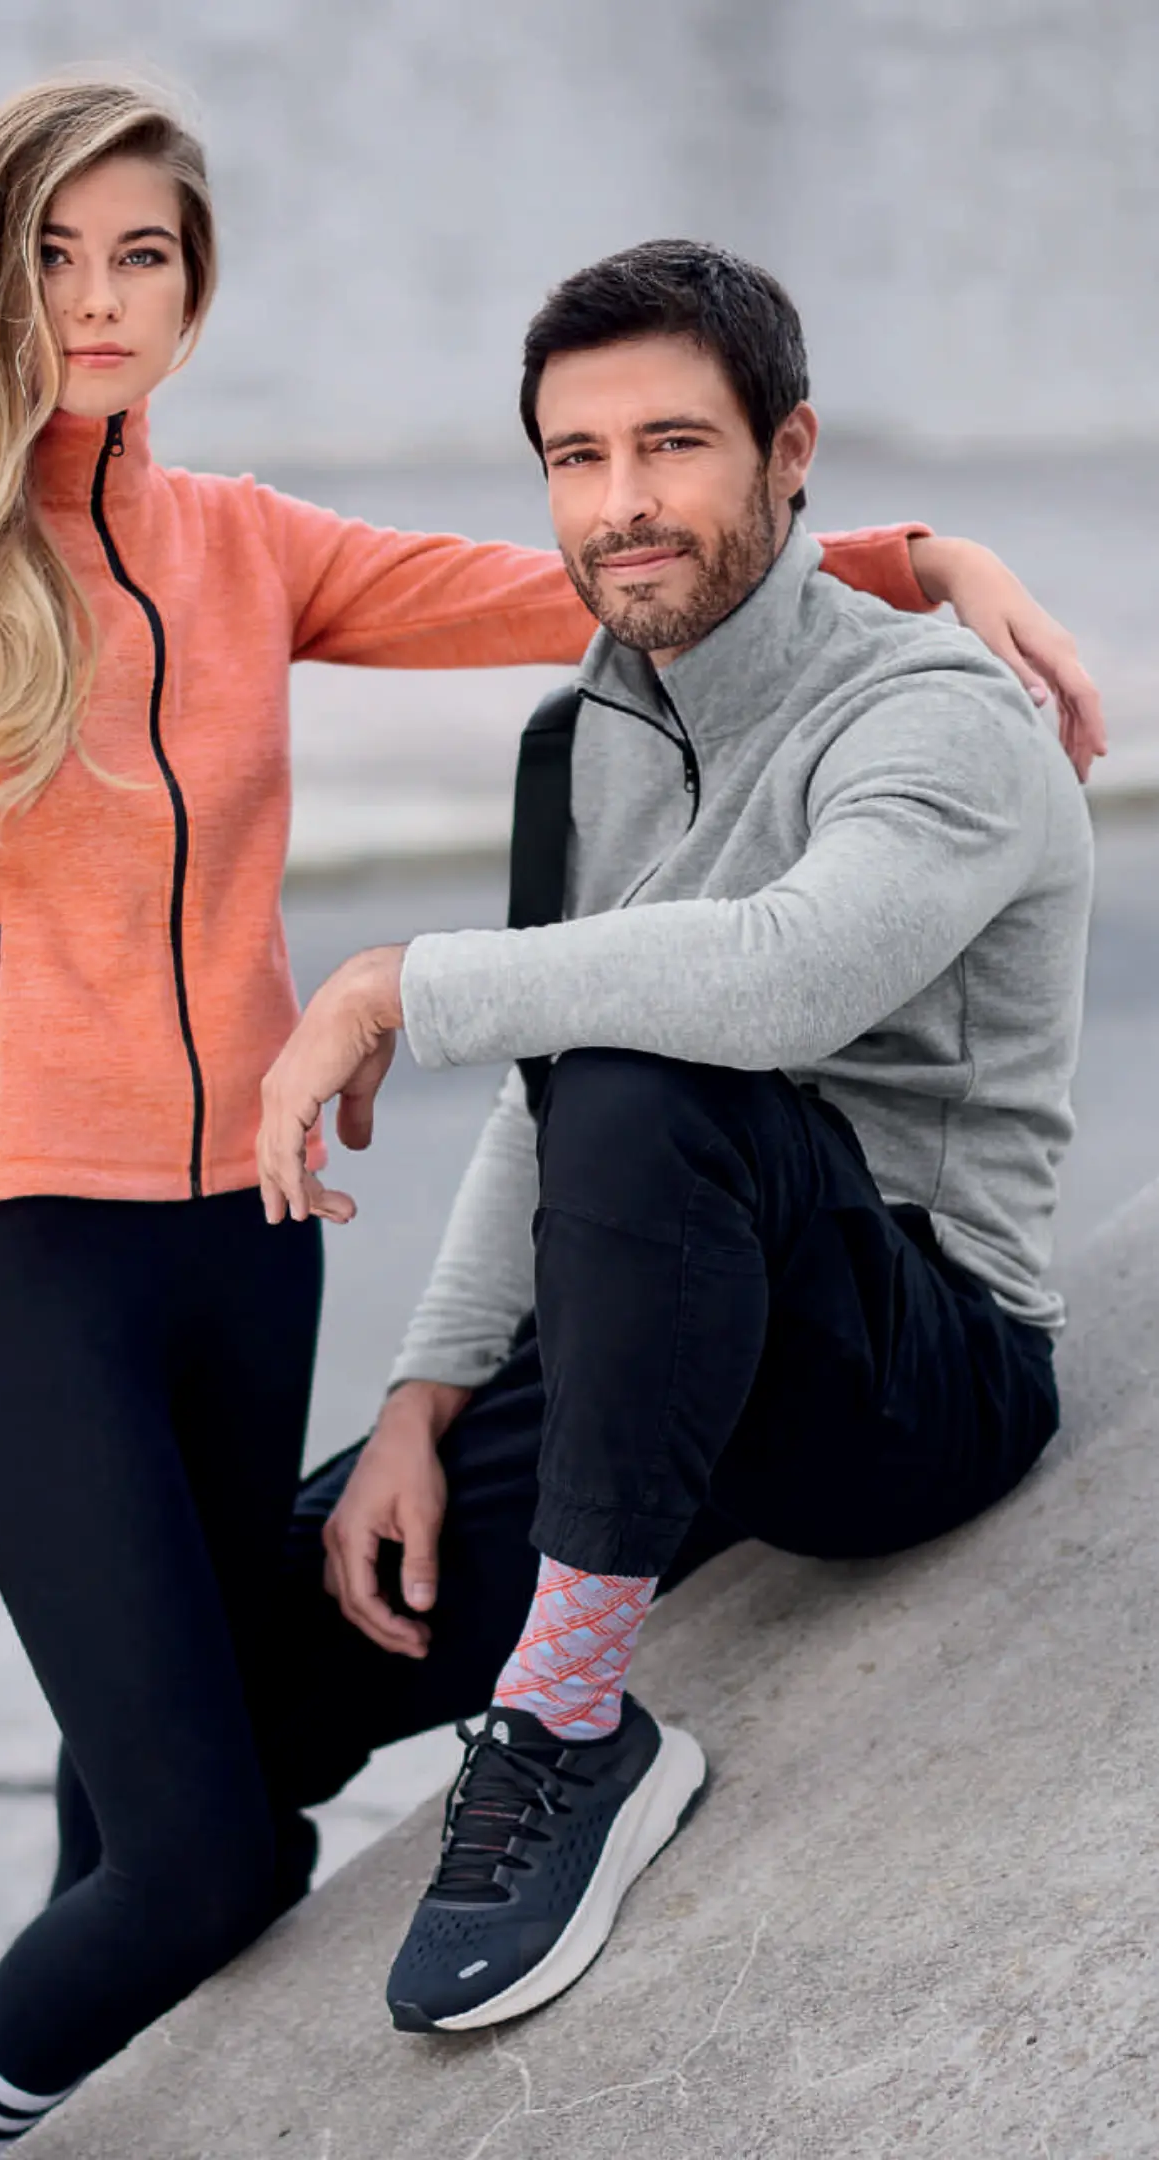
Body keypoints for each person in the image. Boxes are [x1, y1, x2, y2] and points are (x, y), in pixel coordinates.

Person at [0, 74, 1093, 2156]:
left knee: (192, 1740)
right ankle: (0, 2115)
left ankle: (140, 2031)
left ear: (193, 290)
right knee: (198, 1776)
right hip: (18, 1236)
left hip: (274, 1238)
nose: (96, 300)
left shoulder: (246, 549)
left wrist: (912, 562)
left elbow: (608, 587)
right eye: (51, 255)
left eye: (142, 254)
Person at [254, 239, 1095, 2036]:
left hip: (914, 1364)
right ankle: (51, 2091)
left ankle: (569, 1725)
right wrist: (423, 1397)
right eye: (578, 457)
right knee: (261, 1635)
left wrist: (404, 982)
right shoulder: (586, 736)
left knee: (657, 1080)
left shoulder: (940, 716)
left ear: (790, 452)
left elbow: (781, 981)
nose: (621, 503)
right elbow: (551, 1089)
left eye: (672, 445)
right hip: (665, 1310)